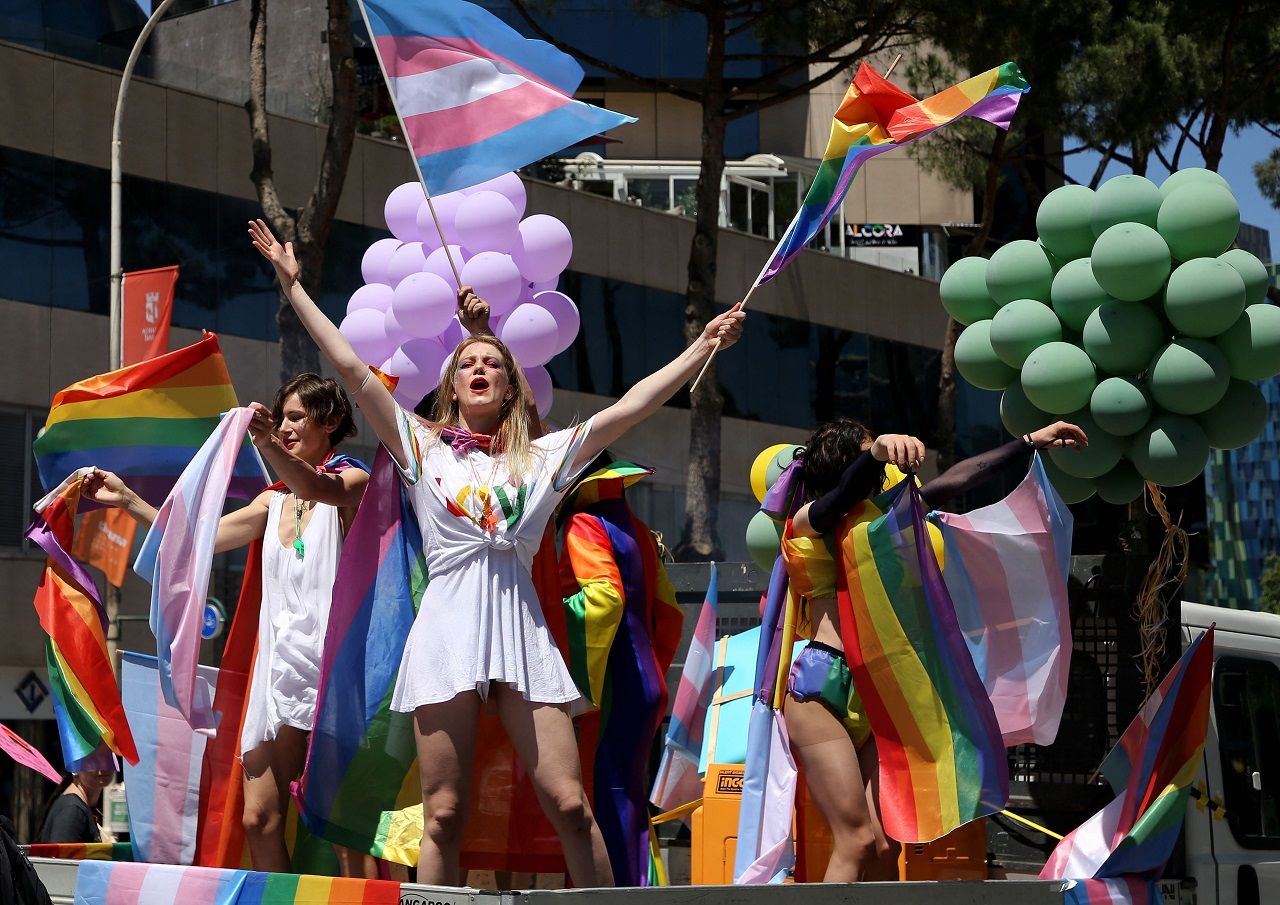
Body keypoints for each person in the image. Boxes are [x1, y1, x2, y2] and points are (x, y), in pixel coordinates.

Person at [247, 217, 744, 887]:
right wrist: (294, 284)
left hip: (521, 633)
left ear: (510, 388)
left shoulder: (543, 457)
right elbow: (348, 365)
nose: (480, 368)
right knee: (444, 814)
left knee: (571, 802)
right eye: (468, 364)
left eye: (493, 364)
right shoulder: (420, 447)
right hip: (446, 633)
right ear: (453, 387)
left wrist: (702, 348)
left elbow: (634, 404)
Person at [82, 375, 371, 873]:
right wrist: (129, 500)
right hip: (276, 671)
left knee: (342, 827)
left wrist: (261, 442)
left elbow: (317, 486)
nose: (283, 427)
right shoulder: (273, 499)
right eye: (280, 418)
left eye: (296, 417)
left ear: (333, 423)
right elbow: (197, 537)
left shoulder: (354, 481)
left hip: (333, 671)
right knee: (258, 820)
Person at [781, 418, 1087, 882]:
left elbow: (960, 477)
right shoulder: (810, 520)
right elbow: (847, 491)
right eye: (869, 455)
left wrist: (1028, 442)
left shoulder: (887, 518)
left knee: (885, 844)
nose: (884, 468)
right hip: (823, 687)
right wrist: (878, 450)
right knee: (856, 839)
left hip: (879, 689)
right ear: (852, 462)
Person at [37, 770, 111, 844]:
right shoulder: (72, 809)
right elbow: (63, 854)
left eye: (108, 760)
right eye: (93, 761)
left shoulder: (79, 806)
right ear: (75, 770)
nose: (103, 766)